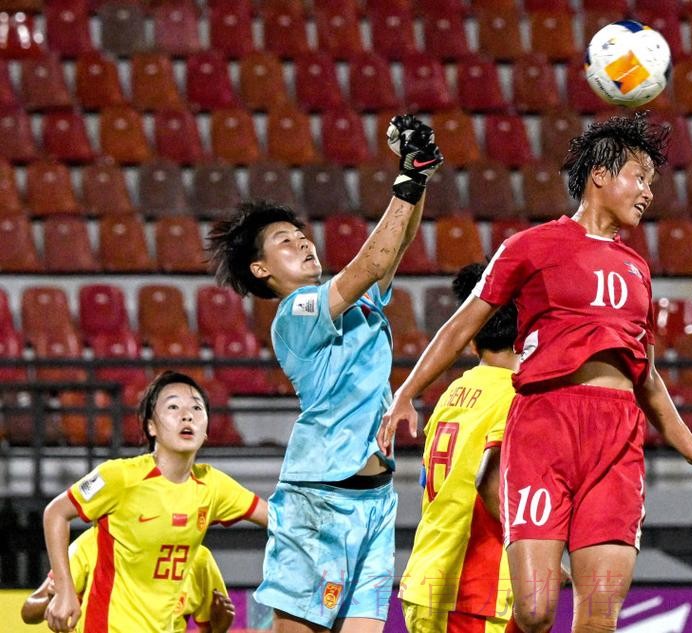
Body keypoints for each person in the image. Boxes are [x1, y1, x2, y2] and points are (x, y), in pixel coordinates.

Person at [379, 113, 692, 633]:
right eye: (639, 178)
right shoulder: (531, 246)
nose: (648, 193)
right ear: (600, 175)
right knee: (535, 610)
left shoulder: (638, 268)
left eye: (651, 184)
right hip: (544, 426)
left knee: (599, 614)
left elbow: (648, 376)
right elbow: (462, 325)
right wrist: (407, 391)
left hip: (617, 436)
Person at [206, 114, 443, 633]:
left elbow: (395, 248)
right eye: (284, 243)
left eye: (301, 236)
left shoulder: (355, 300)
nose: (303, 244)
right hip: (318, 501)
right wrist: (408, 176)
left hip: (376, 502)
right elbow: (370, 264)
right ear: (261, 270)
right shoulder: (295, 314)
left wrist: (418, 175)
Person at [42, 371, 268, 633]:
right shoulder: (118, 476)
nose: (187, 415)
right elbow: (55, 512)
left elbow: (278, 521)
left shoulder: (213, 485)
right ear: (151, 427)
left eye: (197, 408)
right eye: (173, 407)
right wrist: (65, 591)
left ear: (206, 430)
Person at [399, 263, 519, 633]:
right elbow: (489, 483)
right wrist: (535, 550)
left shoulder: (452, 393)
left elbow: (430, 480)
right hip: (471, 589)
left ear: (470, 340)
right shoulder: (518, 396)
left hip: (428, 577)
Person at [22, 528, 235, 633]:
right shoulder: (92, 543)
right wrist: (54, 597)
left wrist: (219, 630)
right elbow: (28, 611)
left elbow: (210, 627)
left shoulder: (198, 559)